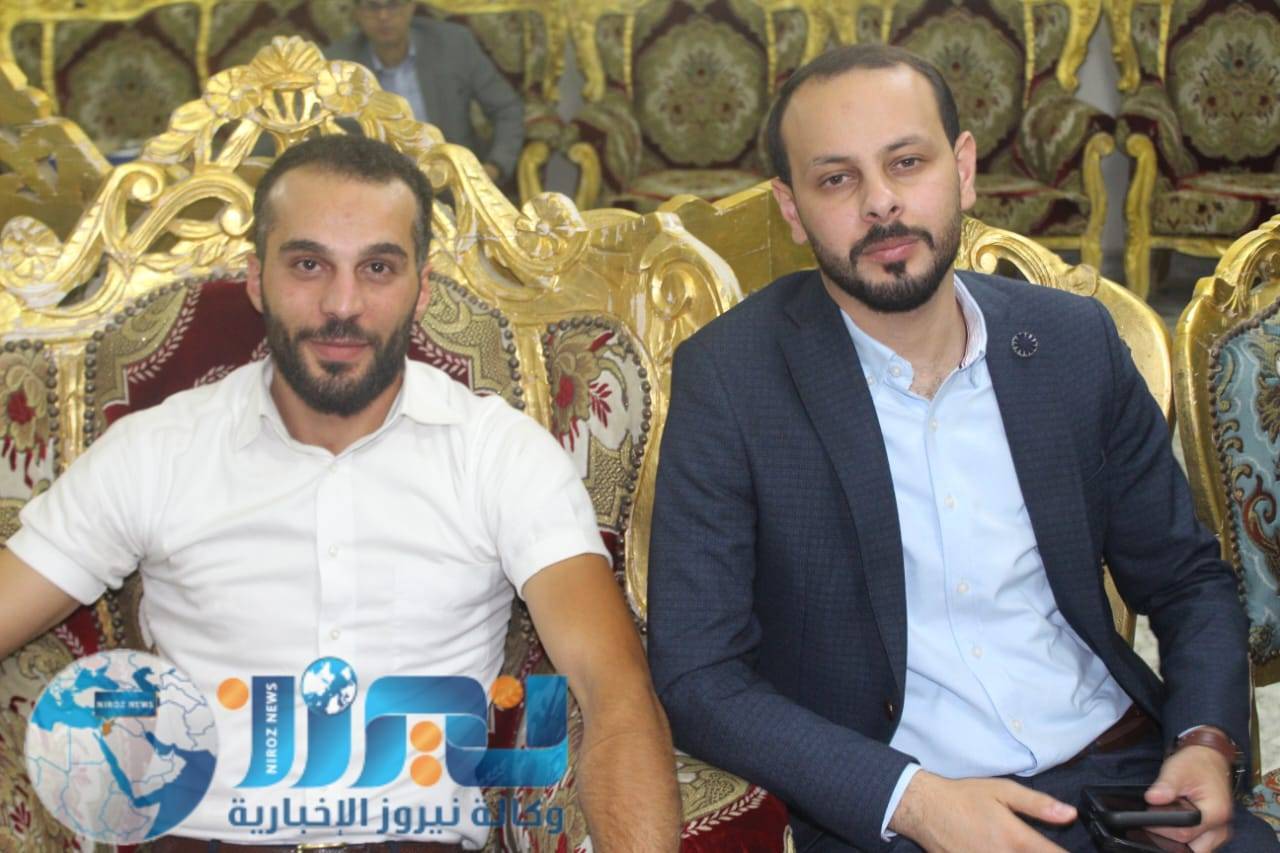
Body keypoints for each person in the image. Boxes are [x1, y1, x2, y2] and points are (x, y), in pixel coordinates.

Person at [646, 44, 1274, 853]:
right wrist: (911, 801)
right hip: (900, 808)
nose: (880, 202)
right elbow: (699, 674)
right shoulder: (732, 379)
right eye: (836, 179)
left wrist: (1203, 740)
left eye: (907, 162)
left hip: (1124, 780)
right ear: (792, 209)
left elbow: (1187, 579)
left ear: (964, 169)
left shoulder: (1072, 342)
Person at [0, 135, 680, 851]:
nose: (342, 304)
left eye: (377, 268)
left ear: (421, 289)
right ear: (257, 279)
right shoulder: (155, 452)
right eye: (308, 264)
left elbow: (614, 690)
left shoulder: (498, 455)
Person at [327, 0, 525, 184]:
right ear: (357, 12)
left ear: (411, 6)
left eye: (394, 4)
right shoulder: (337, 65)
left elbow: (507, 109)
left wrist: (495, 167)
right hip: (376, 190)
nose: (383, 16)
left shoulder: (453, 44)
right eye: (372, 6)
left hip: (455, 184)